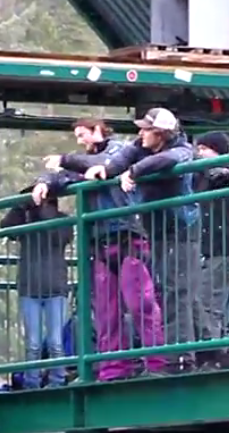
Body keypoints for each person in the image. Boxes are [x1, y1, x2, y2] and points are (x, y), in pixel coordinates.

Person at [35, 118, 166, 381]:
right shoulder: (87, 162)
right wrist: (45, 181)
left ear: (97, 131)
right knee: (107, 313)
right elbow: (65, 175)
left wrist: (65, 160)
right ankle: (113, 368)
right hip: (101, 242)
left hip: (129, 236)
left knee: (141, 304)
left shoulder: (120, 152)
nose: (80, 140)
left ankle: (157, 363)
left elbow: (105, 166)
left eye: (83, 134)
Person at [84, 108, 201, 374]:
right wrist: (106, 169)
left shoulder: (181, 149)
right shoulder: (141, 146)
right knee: (169, 292)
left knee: (177, 293)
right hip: (156, 230)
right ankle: (194, 354)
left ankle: (180, 359)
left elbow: (168, 160)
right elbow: (121, 160)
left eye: (146, 129)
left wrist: (133, 172)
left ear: (159, 134)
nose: (140, 133)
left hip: (180, 230)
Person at [191, 131, 229, 370]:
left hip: (222, 249)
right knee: (210, 304)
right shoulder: (206, 174)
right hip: (215, 249)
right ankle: (220, 354)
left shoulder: (222, 174)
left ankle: (220, 357)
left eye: (204, 149)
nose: (199, 153)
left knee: (209, 304)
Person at [0, 192, 72, 388]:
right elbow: (6, 228)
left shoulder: (63, 221)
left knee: (55, 342)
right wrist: (20, 206)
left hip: (55, 288)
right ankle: (32, 383)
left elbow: (59, 237)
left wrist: (43, 211)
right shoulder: (25, 220)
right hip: (29, 287)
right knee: (33, 344)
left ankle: (57, 381)